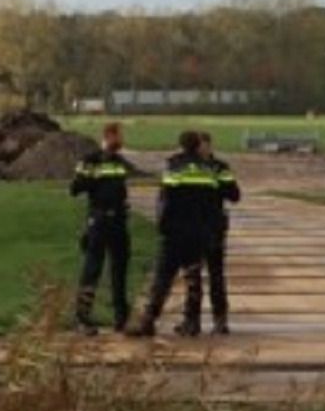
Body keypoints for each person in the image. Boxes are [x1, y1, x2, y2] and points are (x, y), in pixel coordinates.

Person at [130, 131, 229, 338]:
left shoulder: (174, 167)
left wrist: (162, 225)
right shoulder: (209, 171)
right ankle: (192, 322)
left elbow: (165, 200)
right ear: (198, 146)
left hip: (175, 231)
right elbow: (212, 203)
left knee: (163, 276)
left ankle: (149, 319)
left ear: (182, 145)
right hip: (198, 231)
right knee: (193, 277)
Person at [69, 122, 139, 334]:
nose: (122, 140)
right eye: (119, 136)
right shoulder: (91, 161)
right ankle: (82, 317)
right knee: (92, 269)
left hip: (119, 220)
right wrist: (93, 177)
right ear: (108, 136)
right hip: (99, 219)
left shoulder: (119, 162)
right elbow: (75, 188)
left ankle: (121, 316)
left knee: (120, 269)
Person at [181, 131, 241, 335]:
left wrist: (219, 186)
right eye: (199, 145)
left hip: (213, 226)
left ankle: (220, 319)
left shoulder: (219, 168)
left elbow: (234, 195)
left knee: (216, 275)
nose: (202, 149)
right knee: (193, 274)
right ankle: (192, 320)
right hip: (194, 226)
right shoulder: (192, 167)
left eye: (204, 145)